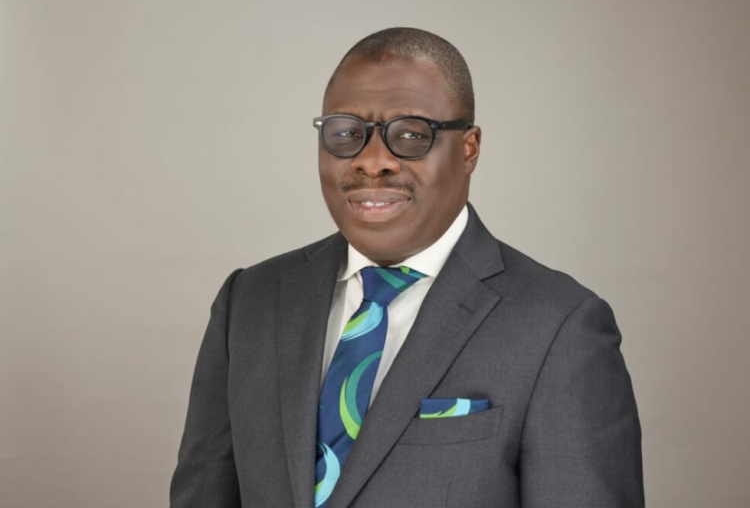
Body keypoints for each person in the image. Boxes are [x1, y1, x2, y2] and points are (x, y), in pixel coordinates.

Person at [170, 27, 644, 507]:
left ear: (468, 149)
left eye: (412, 135)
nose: (373, 161)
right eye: (346, 133)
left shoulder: (559, 326)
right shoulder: (250, 301)